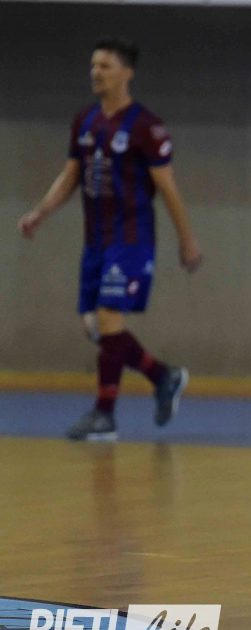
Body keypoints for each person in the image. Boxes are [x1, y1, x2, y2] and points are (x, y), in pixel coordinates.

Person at [17, 37, 202, 441]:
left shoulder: (146, 126)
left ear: (127, 73)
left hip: (131, 238)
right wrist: (40, 213)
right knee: (97, 328)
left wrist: (187, 239)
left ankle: (104, 416)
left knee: (107, 318)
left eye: (105, 66)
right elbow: (71, 175)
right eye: (93, 65)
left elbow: (168, 187)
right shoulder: (85, 121)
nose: (95, 73)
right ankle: (163, 376)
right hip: (96, 240)